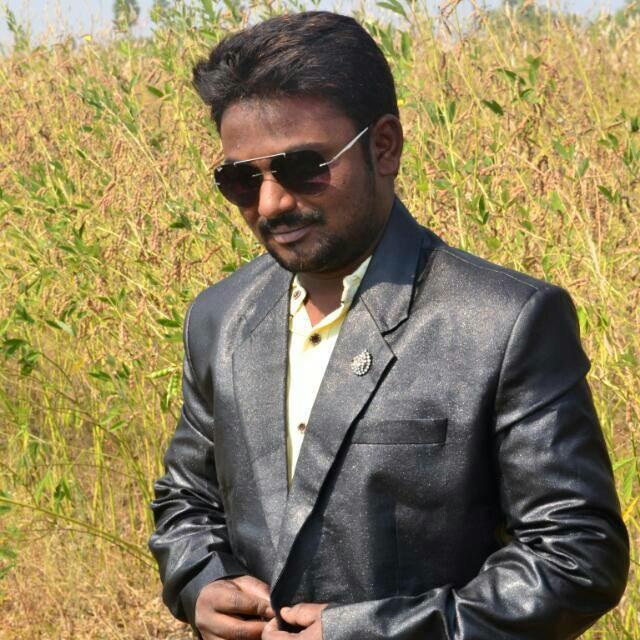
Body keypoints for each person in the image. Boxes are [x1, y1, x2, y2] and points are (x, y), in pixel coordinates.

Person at [148, 11, 629, 640]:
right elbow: (187, 498)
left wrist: (376, 632)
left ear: (384, 147)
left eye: (302, 168)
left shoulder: (503, 323)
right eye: (241, 180)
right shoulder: (220, 318)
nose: (271, 203)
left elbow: (575, 556)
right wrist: (201, 582)